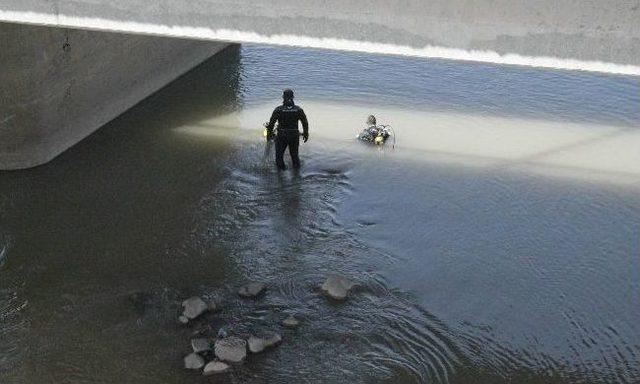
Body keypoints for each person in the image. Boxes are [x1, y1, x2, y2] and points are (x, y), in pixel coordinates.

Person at [265, 89, 309, 170]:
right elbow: (305, 122)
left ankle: (281, 177)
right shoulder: (298, 109)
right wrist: (306, 133)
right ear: (293, 97)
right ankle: (297, 176)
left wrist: (268, 136)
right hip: (294, 135)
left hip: (282, 135)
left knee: (279, 156)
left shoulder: (278, 109)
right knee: (294, 156)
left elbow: (271, 124)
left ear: (283, 97)